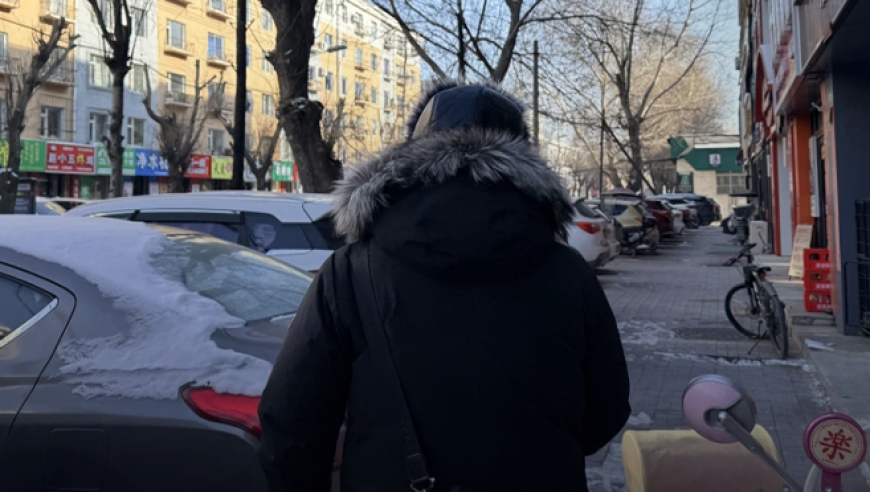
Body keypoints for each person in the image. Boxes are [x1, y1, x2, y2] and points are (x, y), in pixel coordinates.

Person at [258, 81, 631, 492]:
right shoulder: (569, 274)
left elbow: (292, 419)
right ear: (525, 160)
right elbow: (606, 412)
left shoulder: (352, 272)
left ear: (409, 156)